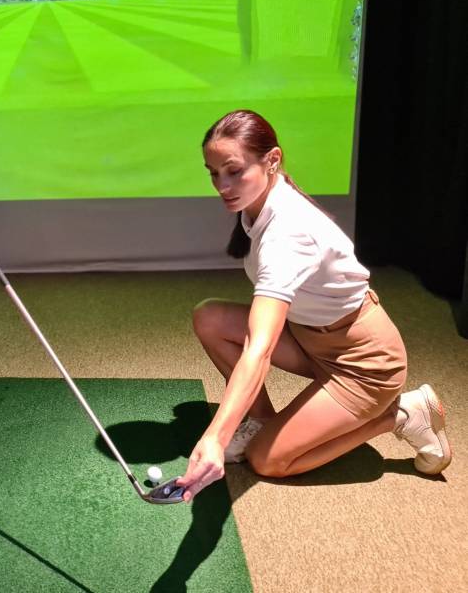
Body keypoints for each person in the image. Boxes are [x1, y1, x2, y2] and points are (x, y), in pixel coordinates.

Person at [175, 109, 452, 502]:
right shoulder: (263, 201)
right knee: (210, 317)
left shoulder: (288, 234)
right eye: (213, 173)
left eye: (233, 171)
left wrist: (214, 438)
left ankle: (401, 414)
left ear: (273, 160)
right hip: (311, 341)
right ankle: (260, 422)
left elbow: (260, 348)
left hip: (363, 365)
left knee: (268, 461)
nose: (222, 185)